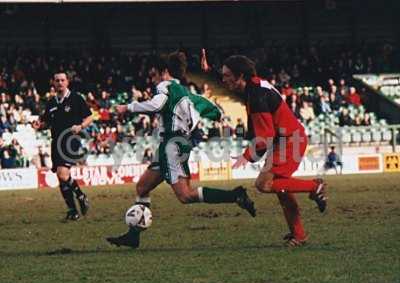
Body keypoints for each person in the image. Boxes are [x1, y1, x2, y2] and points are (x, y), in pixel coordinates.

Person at [106, 52, 256, 249]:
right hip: (175, 144)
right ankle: (134, 236)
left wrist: (128, 107)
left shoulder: (164, 86)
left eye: (153, 75)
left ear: (164, 72)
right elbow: (215, 111)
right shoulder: (187, 93)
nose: (152, 80)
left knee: (185, 196)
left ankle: (235, 195)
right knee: (142, 188)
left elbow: (157, 104)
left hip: (172, 145)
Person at [221, 55, 328, 247]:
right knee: (282, 189)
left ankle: (315, 187)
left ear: (240, 75)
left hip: (289, 141)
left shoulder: (255, 95)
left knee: (264, 184)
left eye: (227, 75)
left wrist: (247, 156)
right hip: (288, 139)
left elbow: (265, 135)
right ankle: (299, 235)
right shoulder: (254, 86)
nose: (223, 79)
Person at [33, 73, 92, 221]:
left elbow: (89, 116)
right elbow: (46, 122)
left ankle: (81, 196)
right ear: (53, 82)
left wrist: (80, 126)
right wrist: (39, 126)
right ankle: (73, 211)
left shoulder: (76, 98)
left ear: (67, 82)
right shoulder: (52, 102)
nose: (59, 83)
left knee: (63, 174)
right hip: (56, 142)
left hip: (70, 140)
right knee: (61, 179)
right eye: (57, 80)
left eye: (62, 80)